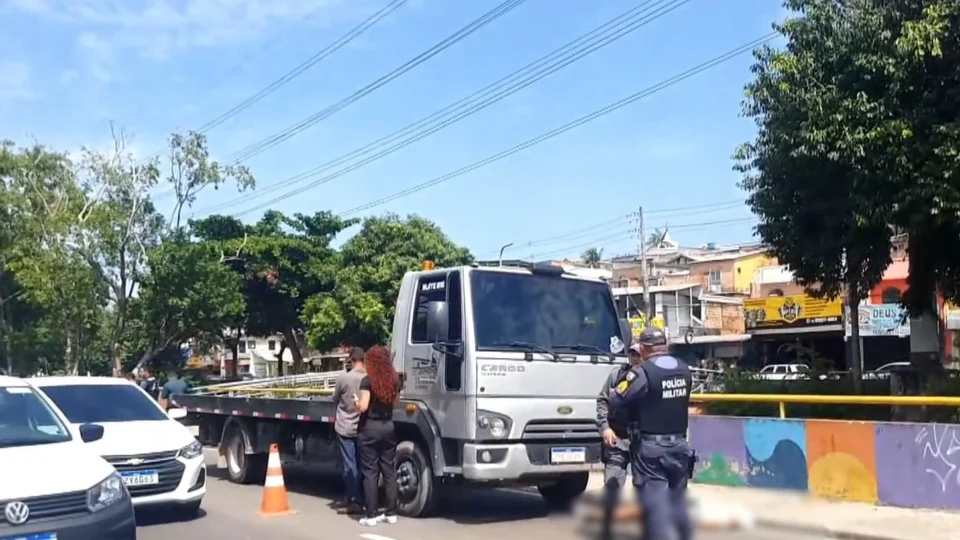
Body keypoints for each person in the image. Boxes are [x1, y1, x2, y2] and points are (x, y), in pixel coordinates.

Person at [609, 327, 695, 540]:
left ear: (644, 348)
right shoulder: (684, 369)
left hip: (652, 450)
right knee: (678, 503)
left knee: (655, 506)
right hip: (681, 446)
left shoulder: (642, 372)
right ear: (663, 345)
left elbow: (616, 400)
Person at [596, 343, 643, 539]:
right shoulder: (617, 376)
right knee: (612, 487)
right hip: (617, 440)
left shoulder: (650, 378)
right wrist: (605, 428)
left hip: (642, 442)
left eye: (638, 354)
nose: (634, 358)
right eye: (631, 353)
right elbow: (602, 401)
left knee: (645, 488)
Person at [353, 345, 400, 527]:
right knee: (389, 470)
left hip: (370, 428)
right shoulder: (394, 380)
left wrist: (356, 403)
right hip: (388, 426)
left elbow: (363, 406)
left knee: (370, 472)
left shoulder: (367, 381)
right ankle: (391, 513)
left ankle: (371, 514)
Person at [330, 347, 367, 515]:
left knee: (349, 466)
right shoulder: (368, 379)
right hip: (362, 427)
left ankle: (353, 500)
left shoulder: (344, 378)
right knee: (361, 465)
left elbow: (334, 399)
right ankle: (361, 498)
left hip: (345, 427)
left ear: (351, 361)